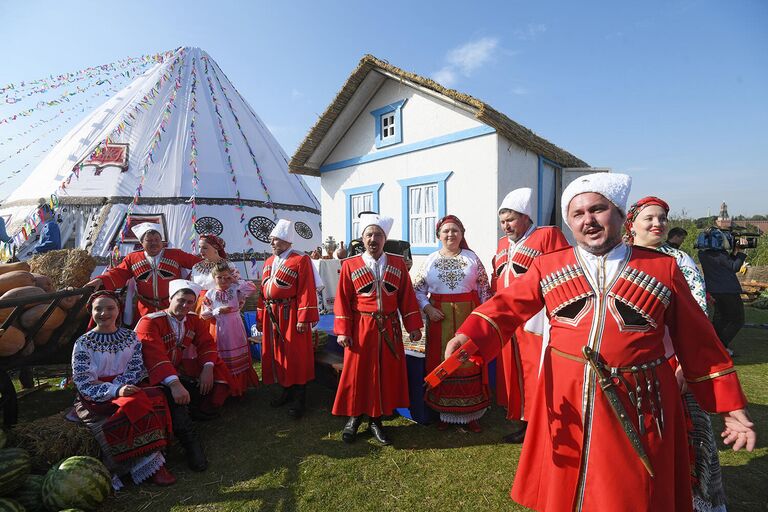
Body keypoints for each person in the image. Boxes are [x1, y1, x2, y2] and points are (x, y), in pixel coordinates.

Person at [444, 173, 755, 511]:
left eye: (597, 210)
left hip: (640, 401)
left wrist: (730, 407)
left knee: (632, 489)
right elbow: (505, 307)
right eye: (577, 214)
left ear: (621, 216)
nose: (587, 220)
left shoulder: (661, 270)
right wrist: (469, 334)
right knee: (568, 485)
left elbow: (700, 342)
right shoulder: (549, 266)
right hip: (567, 395)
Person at [626, 196, 728, 512]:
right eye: (650, 218)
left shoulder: (680, 261)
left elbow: (697, 316)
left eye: (662, 219)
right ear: (632, 224)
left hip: (675, 361)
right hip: (632, 364)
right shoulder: (620, 260)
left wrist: (685, 364)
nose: (658, 224)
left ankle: (688, 497)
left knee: (689, 430)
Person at [333, 214, 423, 445]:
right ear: (362, 239)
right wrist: (343, 330)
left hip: (389, 328)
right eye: (369, 235)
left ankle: (376, 419)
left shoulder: (397, 263)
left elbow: (406, 297)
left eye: (378, 235)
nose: (374, 239)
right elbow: (342, 299)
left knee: (384, 373)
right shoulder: (349, 266)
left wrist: (413, 326)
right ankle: (353, 418)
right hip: (361, 328)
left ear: (385, 238)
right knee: (357, 373)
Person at [72, 291, 175, 488]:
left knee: (156, 396)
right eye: (98, 309)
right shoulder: (83, 343)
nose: (104, 313)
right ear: (91, 312)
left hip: (126, 385)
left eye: (110, 308)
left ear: (119, 310)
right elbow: (83, 380)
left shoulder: (130, 337)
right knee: (134, 406)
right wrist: (116, 390)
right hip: (96, 393)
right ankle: (131, 465)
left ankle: (155, 457)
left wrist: (122, 386)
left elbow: (136, 367)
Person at [491, 188, 569, 443]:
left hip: (536, 320)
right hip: (509, 320)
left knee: (535, 370)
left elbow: (563, 271)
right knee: (514, 370)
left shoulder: (546, 235)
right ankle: (521, 416)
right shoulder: (503, 245)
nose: (506, 226)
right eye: (503, 221)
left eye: (510, 220)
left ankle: (538, 422)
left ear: (525, 217)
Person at [135, 279, 232, 471]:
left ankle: (200, 409)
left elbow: (206, 344)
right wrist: (174, 383)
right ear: (170, 298)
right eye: (181, 300)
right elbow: (154, 357)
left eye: (190, 302)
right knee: (177, 402)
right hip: (147, 377)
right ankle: (191, 444)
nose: (185, 306)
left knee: (217, 372)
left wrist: (208, 367)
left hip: (172, 372)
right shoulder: (150, 321)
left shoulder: (193, 320)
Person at [412, 215, 492, 432]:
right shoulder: (430, 260)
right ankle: (445, 415)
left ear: (462, 234)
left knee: (468, 361)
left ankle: (471, 414)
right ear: (438, 235)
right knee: (443, 361)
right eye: (446, 231)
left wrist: (482, 319)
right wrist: (428, 308)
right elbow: (417, 290)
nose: (450, 235)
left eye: (455, 230)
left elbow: (485, 289)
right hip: (440, 319)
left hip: (469, 318)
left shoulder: (472, 258)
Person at [259, 219, 319, 419]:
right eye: (271, 240)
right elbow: (263, 292)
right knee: (279, 353)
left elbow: (306, 290)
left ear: (286, 240)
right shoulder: (268, 262)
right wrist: (261, 316)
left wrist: (304, 318)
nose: (272, 243)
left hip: (291, 313)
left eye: (275, 240)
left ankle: (299, 399)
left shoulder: (300, 260)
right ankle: (286, 389)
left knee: (296, 354)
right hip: (271, 314)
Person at [86, 222, 202, 318]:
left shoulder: (176, 254)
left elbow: (199, 265)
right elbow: (119, 273)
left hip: (172, 306)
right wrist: (101, 280)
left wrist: (188, 284)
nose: (154, 243)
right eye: (149, 240)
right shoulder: (133, 258)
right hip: (145, 307)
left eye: (157, 240)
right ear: (141, 243)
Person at [201, 261, 260, 397]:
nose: (223, 280)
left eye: (226, 277)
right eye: (219, 277)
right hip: (219, 327)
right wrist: (217, 310)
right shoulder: (210, 294)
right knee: (222, 355)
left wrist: (235, 280)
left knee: (237, 354)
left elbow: (251, 289)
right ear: (214, 278)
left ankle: (240, 386)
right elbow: (204, 315)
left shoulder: (235, 289)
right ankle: (224, 387)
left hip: (235, 326)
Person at [698, 233, 747, 354]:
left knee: (720, 318)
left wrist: (734, 252)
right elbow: (734, 266)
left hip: (714, 290)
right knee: (737, 319)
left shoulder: (703, 254)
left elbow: (724, 264)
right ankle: (720, 346)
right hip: (728, 291)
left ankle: (711, 344)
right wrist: (740, 252)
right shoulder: (721, 255)